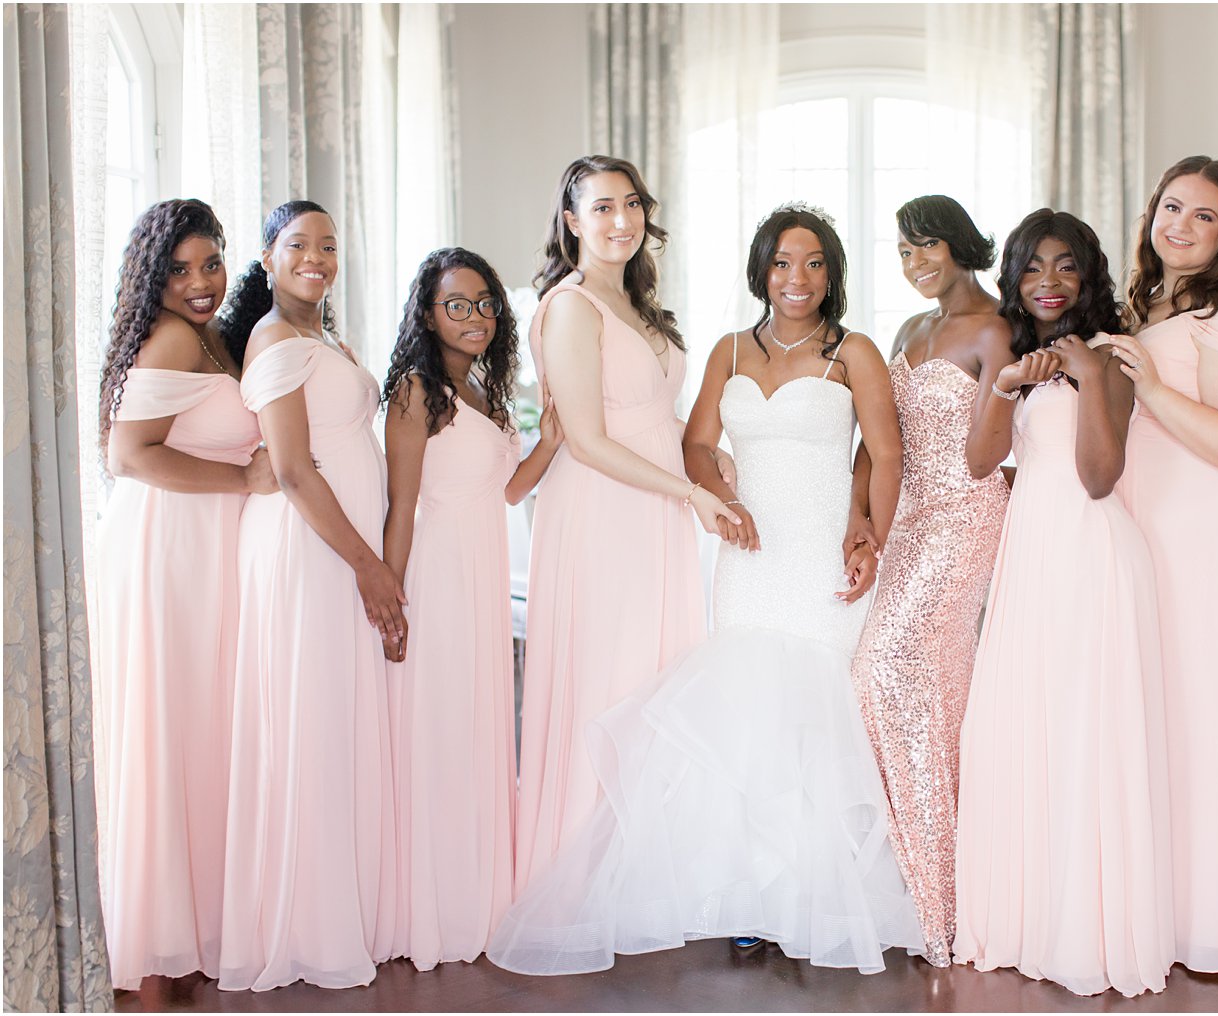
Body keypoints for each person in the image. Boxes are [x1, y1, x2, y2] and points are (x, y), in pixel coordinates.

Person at [488, 203, 922, 976]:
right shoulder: (726, 350)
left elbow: (885, 457)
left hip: (820, 553)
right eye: (784, 262)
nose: (798, 277)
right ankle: (754, 900)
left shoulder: (854, 352)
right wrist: (717, 481)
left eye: (815, 262)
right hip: (750, 557)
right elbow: (693, 444)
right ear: (761, 271)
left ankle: (821, 898)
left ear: (833, 274)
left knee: (819, 721)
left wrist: (870, 537)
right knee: (750, 724)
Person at [953, 209, 1174, 996]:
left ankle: (1088, 924)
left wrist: (1087, 378)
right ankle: (1029, 914)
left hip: (1093, 552)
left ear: (1088, 277)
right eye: (1034, 267)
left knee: (1085, 731)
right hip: (1030, 557)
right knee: (1025, 726)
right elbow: (981, 462)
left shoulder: (1109, 353)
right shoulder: (1009, 351)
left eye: (1067, 266)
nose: (1049, 282)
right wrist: (1008, 386)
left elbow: (1098, 476)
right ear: (1013, 276)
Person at [513, 156, 740, 894]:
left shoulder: (640, 308)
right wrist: (688, 491)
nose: (621, 221)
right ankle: (582, 869)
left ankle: (643, 867)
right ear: (572, 222)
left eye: (632, 205)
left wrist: (713, 458)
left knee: (655, 672)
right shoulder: (572, 306)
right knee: (607, 677)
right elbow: (585, 437)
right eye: (602, 207)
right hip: (602, 512)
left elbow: (647, 418)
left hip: (654, 513)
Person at [1105, 156, 1218, 973]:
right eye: (1170, 206)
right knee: (1164, 721)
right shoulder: (1144, 308)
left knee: (1210, 721)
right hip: (1155, 532)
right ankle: (1162, 907)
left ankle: (1214, 919)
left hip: (1213, 539)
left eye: (1203, 215)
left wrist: (1148, 387)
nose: (1179, 225)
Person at [217, 200, 403, 990]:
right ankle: (309, 926)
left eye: (329, 244)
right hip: (310, 550)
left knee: (336, 719)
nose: (317, 257)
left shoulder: (323, 338)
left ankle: (344, 905)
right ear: (268, 257)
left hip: (340, 548)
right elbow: (292, 470)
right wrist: (370, 566)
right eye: (299, 244)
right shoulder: (271, 337)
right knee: (311, 720)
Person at [90, 198, 276, 989]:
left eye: (210, 264)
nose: (200, 283)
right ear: (151, 275)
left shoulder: (204, 339)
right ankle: (164, 937)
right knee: (174, 724)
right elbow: (128, 455)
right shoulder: (173, 337)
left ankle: (191, 920)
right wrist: (241, 476)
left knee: (197, 724)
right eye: (179, 270)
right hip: (170, 547)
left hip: (197, 545)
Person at [380, 248, 563, 971]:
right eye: (457, 304)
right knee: (441, 730)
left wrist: (549, 442)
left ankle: (480, 894)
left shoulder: (486, 391)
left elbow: (508, 491)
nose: (476, 316)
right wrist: (392, 600)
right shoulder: (415, 392)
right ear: (427, 313)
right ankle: (436, 905)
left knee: (480, 728)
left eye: (485, 303)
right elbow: (400, 507)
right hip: (438, 576)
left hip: (485, 572)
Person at [846, 195, 1013, 966]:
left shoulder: (994, 328)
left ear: (961, 245)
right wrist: (866, 525)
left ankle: (939, 898)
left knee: (885, 669)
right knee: (931, 694)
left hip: (968, 518)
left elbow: (983, 459)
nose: (914, 265)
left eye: (927, 248)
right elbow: (881, 444)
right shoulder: (908, 332)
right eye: (904, 252)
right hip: (910, 520)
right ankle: (924, 887)